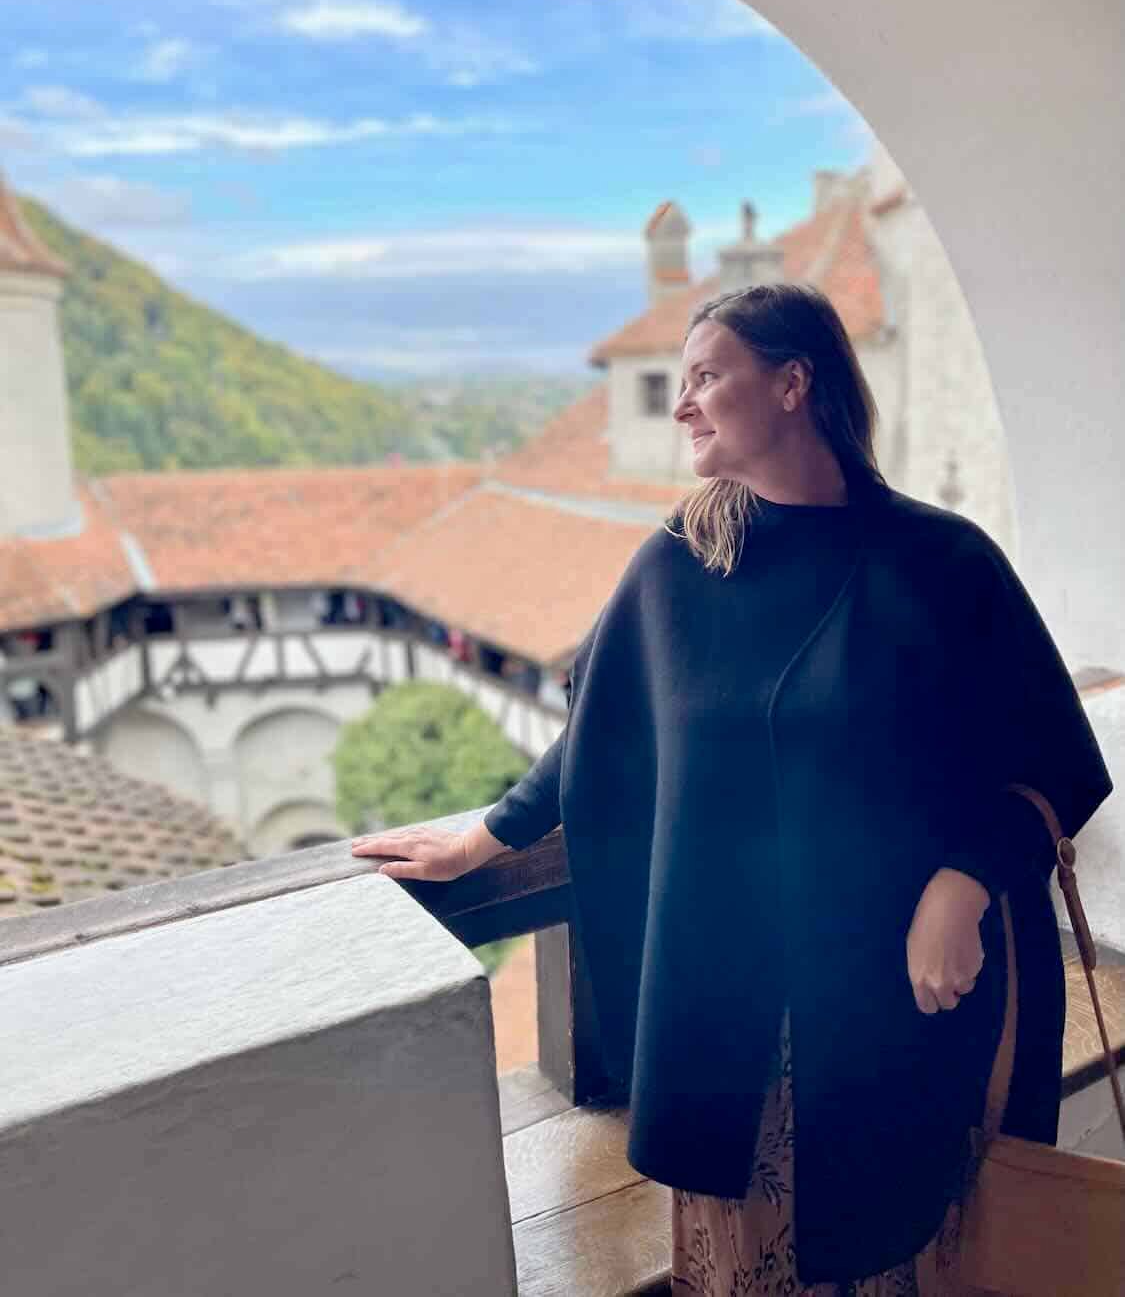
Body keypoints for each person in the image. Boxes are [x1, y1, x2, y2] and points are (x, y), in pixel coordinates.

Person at [351, 283, 1112, 1294]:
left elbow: (1056, 756)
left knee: (907, 1251)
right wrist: (484, 839)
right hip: (730, 1022)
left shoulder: (941, 563)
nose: (682, 404)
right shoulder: (679, 566)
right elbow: (602, 735)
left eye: (707, 375)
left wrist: (964, 882)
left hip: (899, 1015)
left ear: (794, 383)